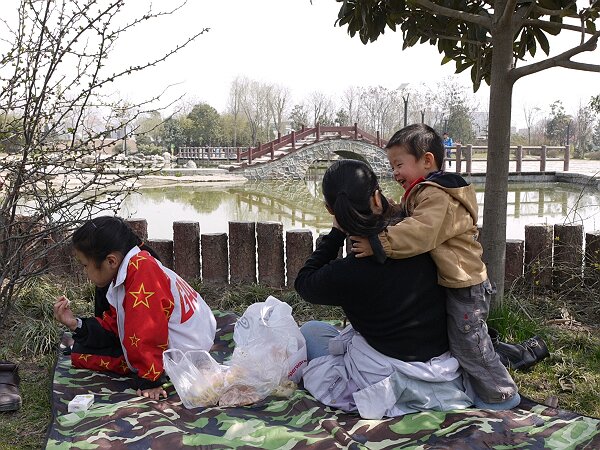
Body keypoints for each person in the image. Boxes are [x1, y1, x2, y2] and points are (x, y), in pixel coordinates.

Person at [351, 123, 521, 410]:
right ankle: (476, 386)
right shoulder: (425, 192)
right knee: (461, 341)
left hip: (465, 285)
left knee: (471, 347)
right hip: (454, 282)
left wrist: (378, 244)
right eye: (392, 166)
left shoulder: (438, 196)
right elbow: (410, 218)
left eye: (399, 164)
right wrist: (388, 211)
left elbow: (420, 231)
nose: (395, 173)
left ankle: (501, 396)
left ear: (427, 160)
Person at [294, 159, 472, 419]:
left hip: (386, 371)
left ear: (330, 210)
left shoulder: (346, 272)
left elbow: (304, 283)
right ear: (377, 199)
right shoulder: (420, 242)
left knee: (311, 330)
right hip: (442, 365)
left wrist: (335, 235)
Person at [53, 216, 216, 400]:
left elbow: (148, 330)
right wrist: (76, 324)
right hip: (191, 338)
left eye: (85, 265)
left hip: (186, 350)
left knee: (87, 355)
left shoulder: (142, 271)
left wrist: (150, 380)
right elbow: (115, 323)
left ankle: (152, 369)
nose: (84, 271)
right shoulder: (129, 268)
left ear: (111, 261)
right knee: (81, 351)